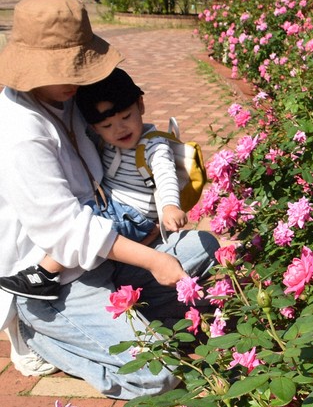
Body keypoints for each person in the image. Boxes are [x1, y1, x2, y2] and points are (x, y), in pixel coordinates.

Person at [0, 0, 220, 399]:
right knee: (158, 373)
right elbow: (67, 231)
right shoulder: (21, 134)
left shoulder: (65, 96)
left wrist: (159, 169)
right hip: (55, 282)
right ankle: (41, 336)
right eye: (66, 67)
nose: (77, 76)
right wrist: (153, 259)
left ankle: (118, 326)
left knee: (202, 246)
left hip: (102, 254)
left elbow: (124, 131)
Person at [0, 67, 189, 300]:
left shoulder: (153, 145)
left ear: (140, 105)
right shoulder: (105, 141)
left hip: (131, 214)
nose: (119, 129)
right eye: (107, 126)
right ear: (94, 127)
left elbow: (165, 175)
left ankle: (46, 272)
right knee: (85, 219)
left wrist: (170, 205)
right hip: (116, 208)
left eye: (126, 117)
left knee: (86, 221)